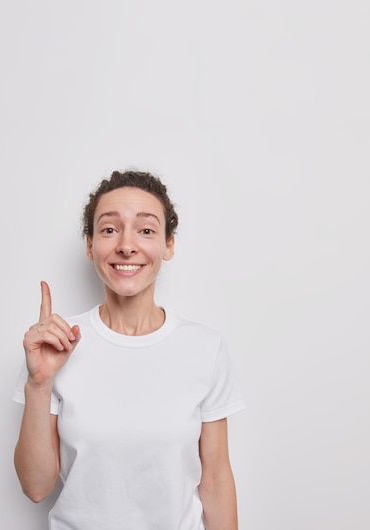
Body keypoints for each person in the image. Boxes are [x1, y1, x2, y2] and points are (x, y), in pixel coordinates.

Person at [13, 170, 245, 529]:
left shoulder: (204, 348)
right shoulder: (56, 345)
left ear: (168, 245)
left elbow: (215, 481)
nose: (126, 244)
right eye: (109, 229)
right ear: (90, 245)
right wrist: (38, 385)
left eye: (146, 230)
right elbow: (36, 486)